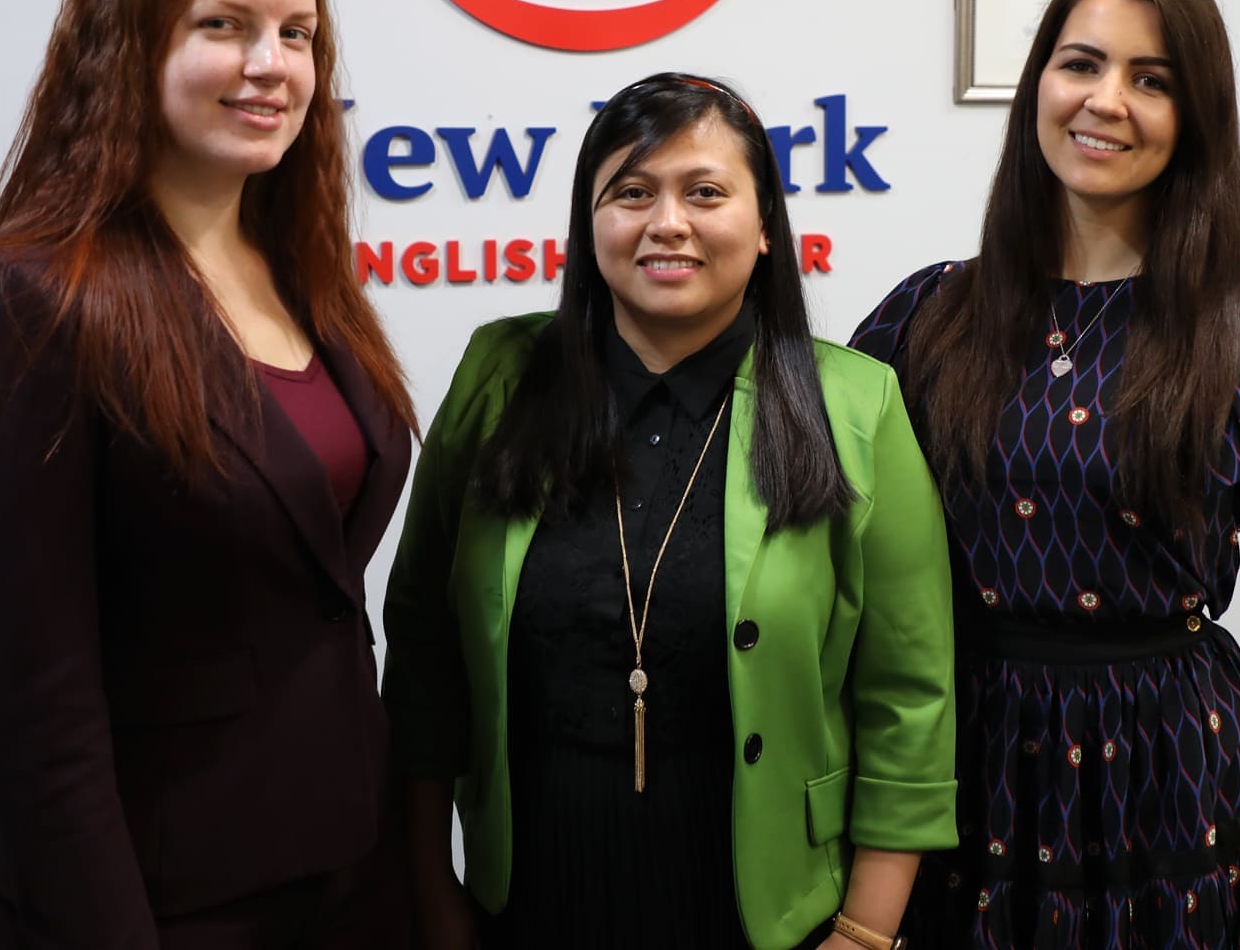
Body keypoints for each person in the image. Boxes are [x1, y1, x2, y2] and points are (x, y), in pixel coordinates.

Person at [0, 0, 417, 948]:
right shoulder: (28, 299)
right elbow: (37, 709)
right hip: (165, 899)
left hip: (350, 872)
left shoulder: (305, 275)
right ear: (127, 41)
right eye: (223, 26)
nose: (271, 65)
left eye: (297, 35)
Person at [851, 0, 1240, 949]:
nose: (1105, 101)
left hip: (1171, 774)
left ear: (1193, 116)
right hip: (968, 763)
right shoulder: (929, 317)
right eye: (1079, 63)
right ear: (1036, 83)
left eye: (1151, 79)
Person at [383, 73, 957, 950]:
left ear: (764, 227)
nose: (668, 222)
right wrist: (430, 886)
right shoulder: (501, 376)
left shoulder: (855, 403)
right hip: (532, 896)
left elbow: (909, 695)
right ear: (589, 223)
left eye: (705, 192)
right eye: (632, 192)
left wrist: (865, 931)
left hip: (762, 908)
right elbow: (424, 650)